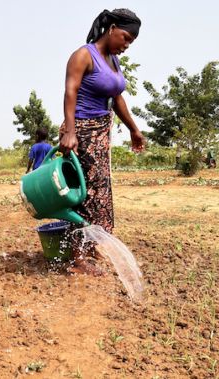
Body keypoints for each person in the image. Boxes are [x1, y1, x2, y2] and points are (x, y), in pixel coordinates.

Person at [59, 8, 145, 275]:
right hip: (82, 134)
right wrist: (70, 132)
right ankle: (76, 257)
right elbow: (70, 91)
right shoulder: (84, 55)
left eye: (131, 41)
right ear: (112, 28)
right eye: (125, 38)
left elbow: (117, 98)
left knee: (100, 193)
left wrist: (133, 129)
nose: (127, 45)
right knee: (84, 194)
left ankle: (90, 243)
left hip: (100, 134)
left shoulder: (113, 61)